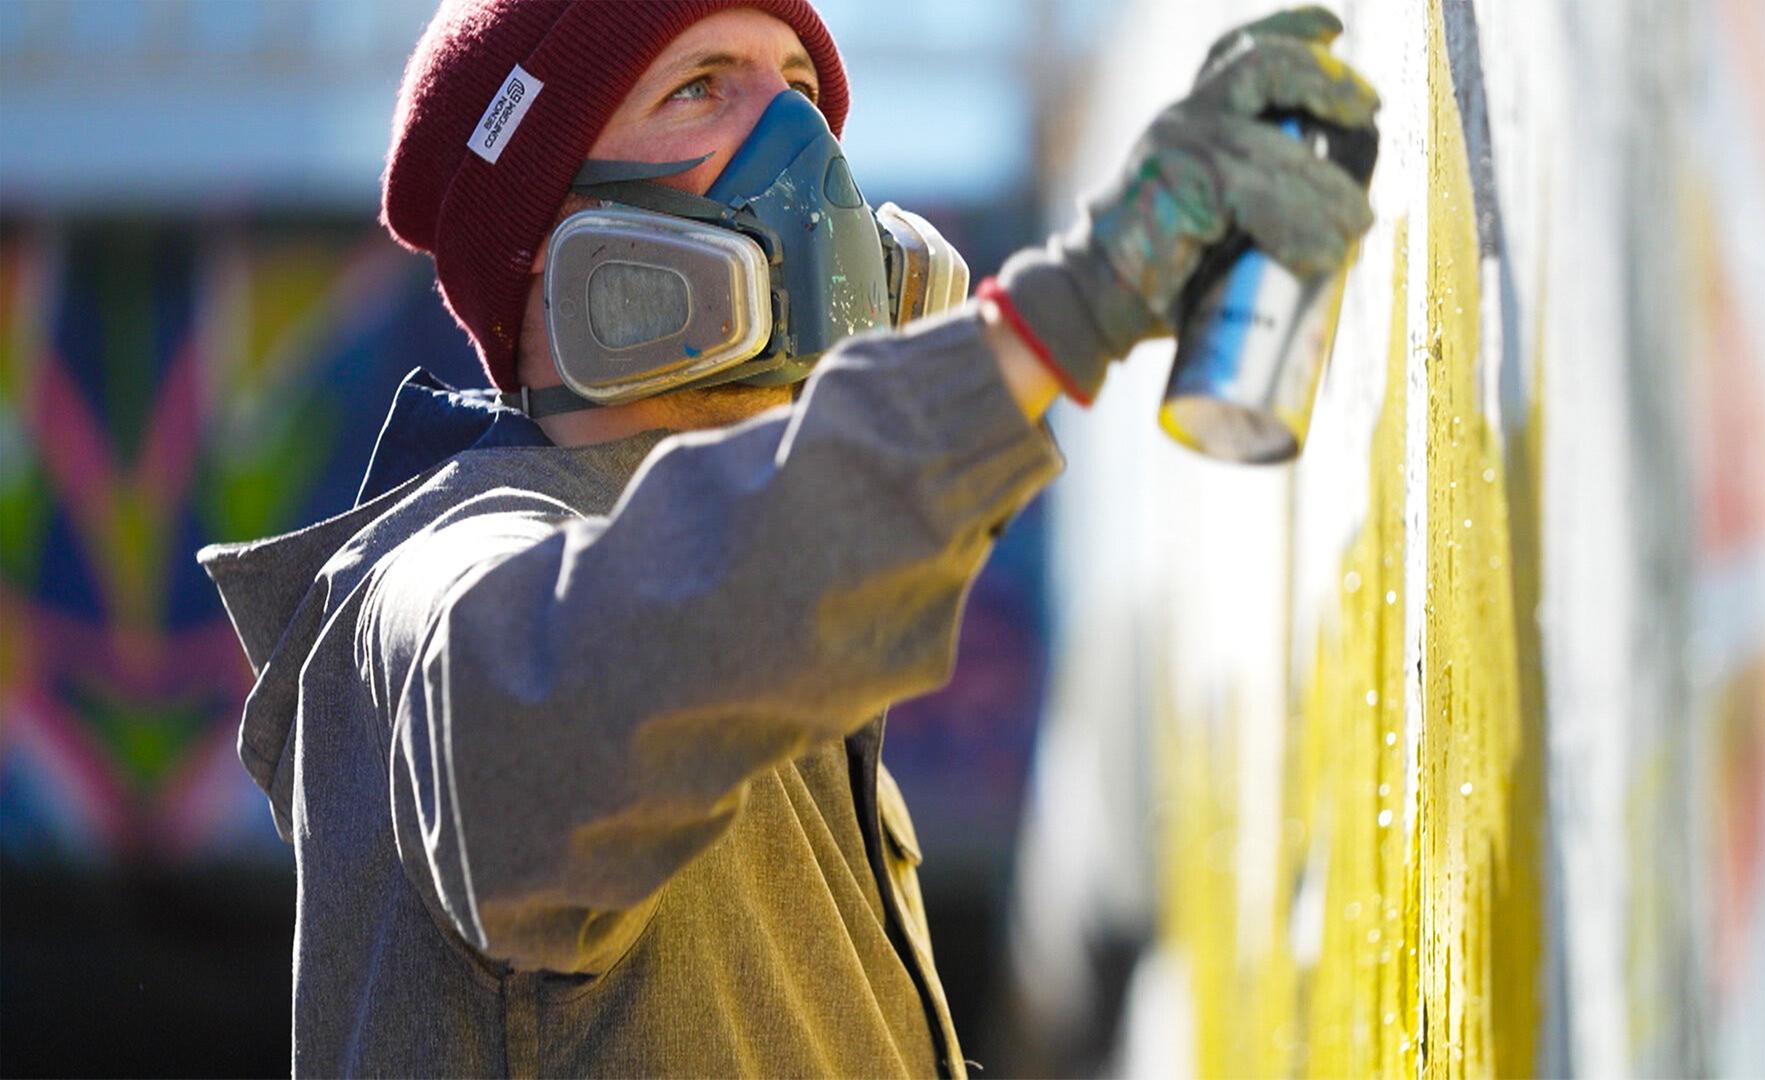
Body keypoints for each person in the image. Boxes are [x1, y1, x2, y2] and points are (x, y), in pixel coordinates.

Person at [198, 1, 1377, 1075]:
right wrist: (1061, 315)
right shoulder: (421, 599)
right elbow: (544, 716)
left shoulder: (782, 686)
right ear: (565, 253)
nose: (805, 159)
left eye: (802, 92)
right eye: (701, 86)